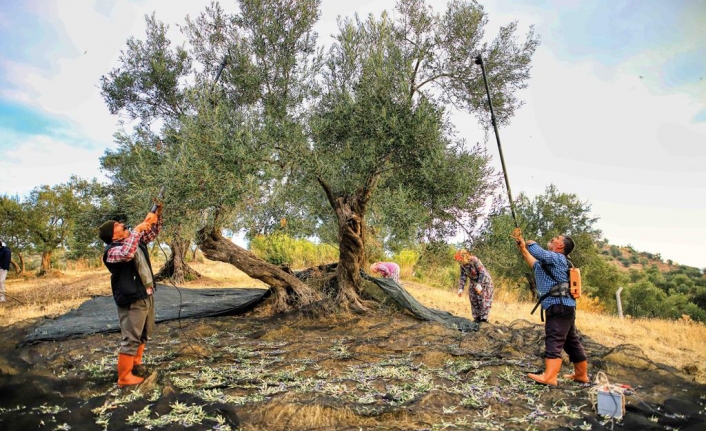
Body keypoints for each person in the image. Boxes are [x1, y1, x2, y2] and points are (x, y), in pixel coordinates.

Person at [99, 203, 163, 388]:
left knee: (144, 333)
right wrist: (137, 228)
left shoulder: (134, 240)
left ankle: (136, 364)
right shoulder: (111, 251)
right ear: (113, 235)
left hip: (145, 295)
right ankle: (124, 377)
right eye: (117, 224)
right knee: (131, 337)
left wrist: (155, 215)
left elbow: (151, 233)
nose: (121, 223)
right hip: (131, 299)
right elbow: (126, 253)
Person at [514, 228, 588, 386]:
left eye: (556, 238)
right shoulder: (551, 263)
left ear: (560, 245)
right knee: (571, 341)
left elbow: (538, 252)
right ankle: (581, 375)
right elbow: (534, 263)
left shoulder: (558, 258)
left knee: (553, 339)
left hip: (558, 306)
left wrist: (528, 241)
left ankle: (550, 377)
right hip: (565, 307)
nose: (553, 239)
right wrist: (523, 248)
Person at [454, 249, 494, 323]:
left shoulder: (474, 260)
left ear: (464, 257)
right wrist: (461, 288)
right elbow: (463, 276)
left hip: (484, 282)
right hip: (473, 282)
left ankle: (483, 319)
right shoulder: (462, 265)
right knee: (473, 298)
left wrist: (479, 284)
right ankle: (477, 318)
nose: (459, 262)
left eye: (460, 260)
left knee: (483, 300)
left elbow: (482, 272)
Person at [0, 239, 11, 303]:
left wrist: (4, 267)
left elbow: (7, 260)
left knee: (1, 282)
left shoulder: (6, 250)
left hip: (3, 269)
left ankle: (2, 297)